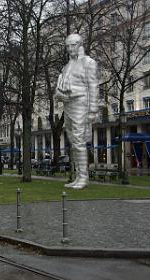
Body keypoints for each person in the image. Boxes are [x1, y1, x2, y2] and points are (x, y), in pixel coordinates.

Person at [54, 33, 99, 189]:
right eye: (67, 46)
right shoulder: (66, 66)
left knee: (79, 142)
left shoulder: (89, 63)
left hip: (81, 105)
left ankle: (84, 178)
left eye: (72, 45)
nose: (69, 49)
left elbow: (93, 86)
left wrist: (93, 110)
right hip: (68, 107)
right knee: (73, 142)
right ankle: (78, 176)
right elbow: (62, 85)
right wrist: (59, 94)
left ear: (80, 45)